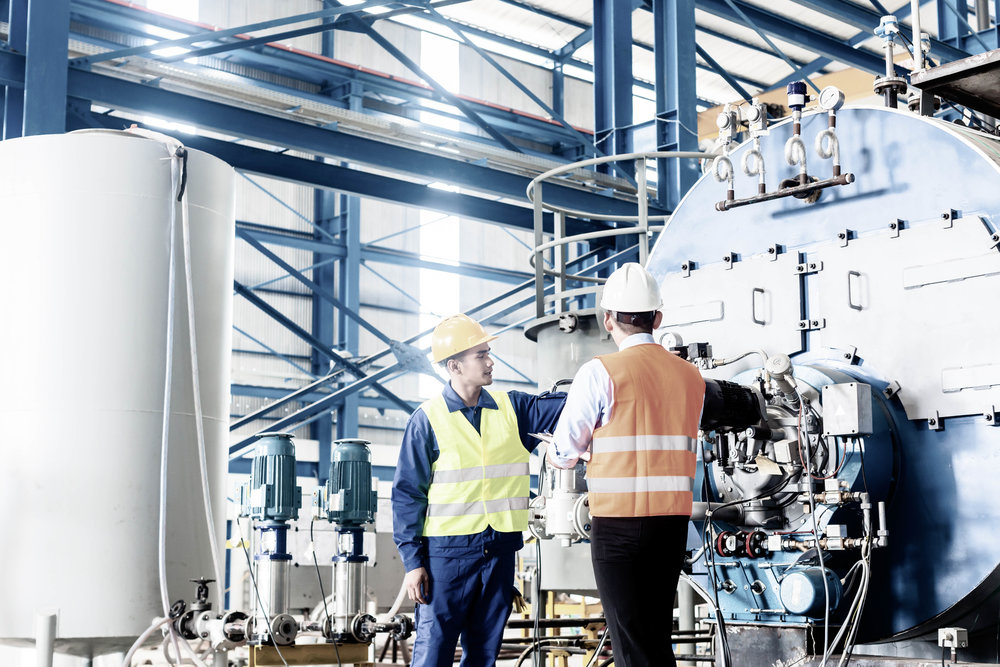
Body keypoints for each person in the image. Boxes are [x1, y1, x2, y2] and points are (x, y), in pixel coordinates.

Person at [548, 262, 706, 667]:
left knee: (630, 645)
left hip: (619, 527)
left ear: (608, 320)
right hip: (671, 526)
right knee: (655, 638)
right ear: (658, 318)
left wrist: (566, 452)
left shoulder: (599, 372)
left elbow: (565, 451)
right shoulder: (692, 378)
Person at [391, 313, 565, 667]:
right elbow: (408, 494)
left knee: (484, 655)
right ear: (454, 366)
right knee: (433, 652)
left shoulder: (512, 408)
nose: (490, 361)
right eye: (481, 355)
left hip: (499, 552)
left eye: (488, 353)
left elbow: (568, 408)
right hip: (446, 557)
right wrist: (413, 562)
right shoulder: (427, 420)